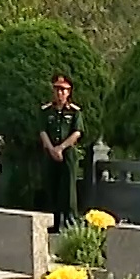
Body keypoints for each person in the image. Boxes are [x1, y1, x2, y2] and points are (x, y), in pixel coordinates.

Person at [38, 76, 84, 231]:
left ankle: (70, 221)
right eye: (57, 89)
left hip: (67, 154)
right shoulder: (47, 111)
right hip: (50, 154)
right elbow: (42, 131)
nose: (60, 93)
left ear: (68, 92)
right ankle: (53, 221)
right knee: (51, 187)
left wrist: (61, 148)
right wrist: (51, 149)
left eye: (63, 90)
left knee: (69, 189)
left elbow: (77, 132)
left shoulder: (74, 112)